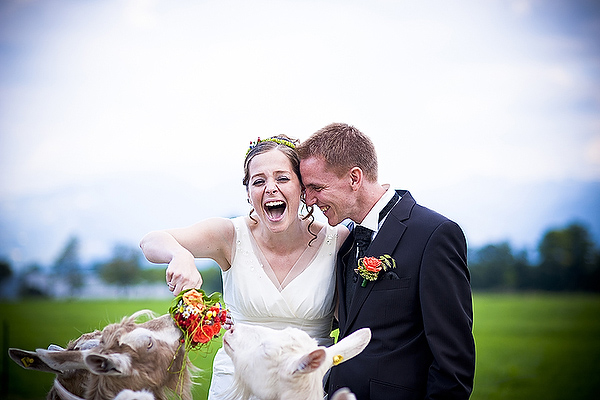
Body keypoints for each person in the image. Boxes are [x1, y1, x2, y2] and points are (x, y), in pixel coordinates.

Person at [139, 135, 349, 400]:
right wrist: (180, 254)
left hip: (304, 386)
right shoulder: (229, 235)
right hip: (236, 385)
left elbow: (352, 318)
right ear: (249, 194)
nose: (270, 188)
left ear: (302, 189)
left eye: (282, 178)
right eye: (259, 181)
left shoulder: (337, 240)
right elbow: (150, 241)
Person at [297, 123, 475, 400]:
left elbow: (454, 360)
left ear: (354, 178)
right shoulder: (345, 242)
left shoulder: (433, 235)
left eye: (316, 187)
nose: (307, 199)